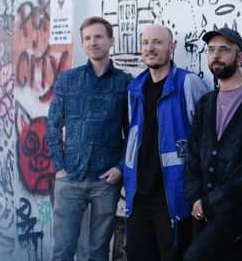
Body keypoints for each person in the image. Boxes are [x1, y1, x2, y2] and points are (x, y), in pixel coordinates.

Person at [46, 16, 132, 261]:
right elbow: (52, 125)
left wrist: (120, 167)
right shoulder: (68, 80)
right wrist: (59, 168)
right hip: (70, 178)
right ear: (83, 43)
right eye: (87, 38)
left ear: (111, 40)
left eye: (98, 37)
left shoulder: (125, 83)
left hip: (105, 181)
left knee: (98, 251)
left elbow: (133, 132)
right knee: (63, 250)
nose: (93, 42)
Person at [124, 24, 208, 261]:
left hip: (174, 198)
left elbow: (206, 141)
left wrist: (198, 192)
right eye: (145, 43)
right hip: (139, 196)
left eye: (157, 42)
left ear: (172, 47)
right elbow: (133, 140)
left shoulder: (188, 83)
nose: (150, 48)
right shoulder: (134, 88)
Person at [183, 28, 242, 260]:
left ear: (240, 57)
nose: (216, 54)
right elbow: (192, 154)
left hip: (236, 208)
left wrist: (211, 203)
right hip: (202, 206)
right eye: (211, 49)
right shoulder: (206, 102)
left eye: (224, 49)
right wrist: (195, 198)